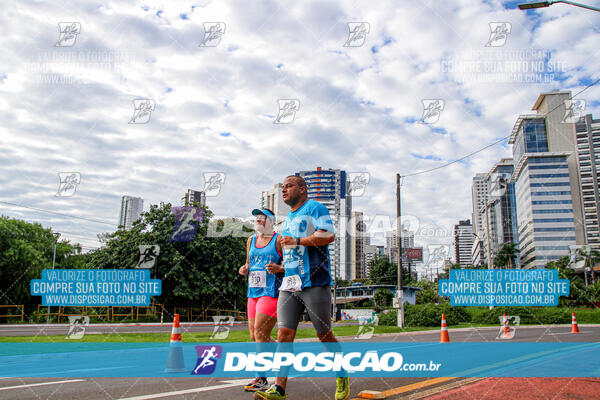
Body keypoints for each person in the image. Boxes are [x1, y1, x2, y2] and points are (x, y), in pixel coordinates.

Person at [254, 175, 349, 400]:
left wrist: (297, 241)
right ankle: (279, 389)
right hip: (289, 284)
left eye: (289, 186)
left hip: (315, 282)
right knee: (284, 334)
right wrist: (281, 268)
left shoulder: (315, 207)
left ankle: (341, 372)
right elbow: (293, 254)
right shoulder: (287, 219)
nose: (284, 190)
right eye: (283, 187)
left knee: (324, 334)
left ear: (302, 189)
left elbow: (328, 235)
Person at [239, 208, 284, 392]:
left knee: (259, 333)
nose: (259, 220)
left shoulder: (279, 240)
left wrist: (279, 268)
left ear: (271, 222)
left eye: (263, 218)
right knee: (256, 335)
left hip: (271, 291)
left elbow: (292, 264)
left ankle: (261, 378)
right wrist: (244, 268)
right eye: (257, 218)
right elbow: (249, 264)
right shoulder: (251, 240)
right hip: (253, 291)